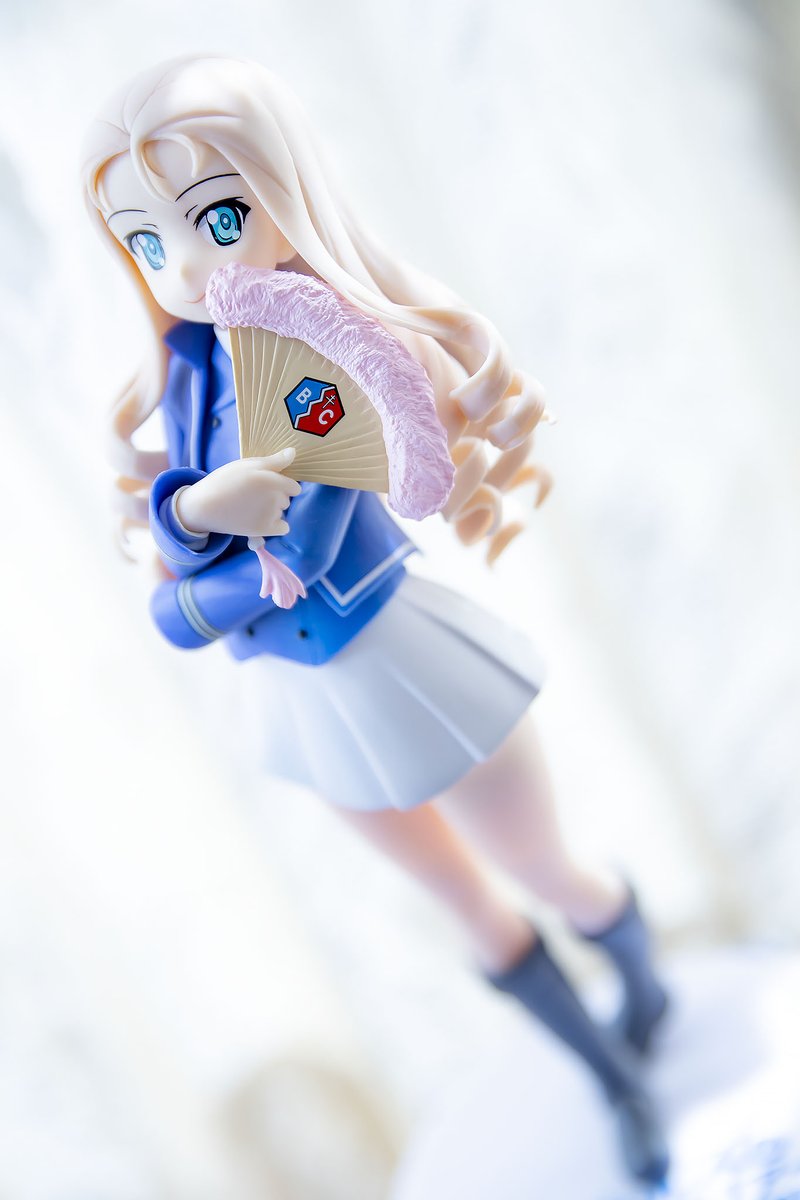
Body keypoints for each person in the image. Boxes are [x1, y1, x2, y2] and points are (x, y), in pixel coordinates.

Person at [82, 54, 669, 1183]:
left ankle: (646, 994)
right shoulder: (188, 371)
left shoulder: (324, 359)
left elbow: (291, 551)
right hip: (303, 701)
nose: (187, 267)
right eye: (148, 242)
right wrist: (195, 514)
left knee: (549, 872)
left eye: (216, 219)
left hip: (404, 662)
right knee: (471, 910)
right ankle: (614, 1083)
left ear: (284, 194)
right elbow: (177, 591)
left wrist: (203, 555)